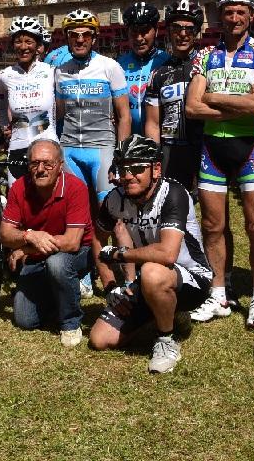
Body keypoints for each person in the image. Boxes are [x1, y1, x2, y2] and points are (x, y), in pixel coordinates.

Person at [185, 0, 254, 328]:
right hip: (213, 149)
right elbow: (192, 107)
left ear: (251, 16)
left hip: (251, 145)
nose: (234, 17)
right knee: (213, 225)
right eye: (228, 11)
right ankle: (218, 293)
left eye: (241, 11)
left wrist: (214, 96)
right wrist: (234, 106)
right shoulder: (204, 54)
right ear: (219, 16)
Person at [88, 135, 212, 374]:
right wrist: (110, 287)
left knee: (152, 272)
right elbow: (97, 239)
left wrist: (121, 255)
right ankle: (169, 314)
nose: (129, 176)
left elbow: (167, 254)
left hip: (192, 279)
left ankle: (166, 340)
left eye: (137, 168)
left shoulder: (173, 193)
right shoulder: (115, 199)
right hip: (146, 279)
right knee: (100, 339)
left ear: (155, 169)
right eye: (124, 169)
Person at [53, 8, 131, 294]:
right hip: (71, 148)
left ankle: (129, 276)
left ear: (95, 38)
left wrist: (120, 155)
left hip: (102, 149)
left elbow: (124, 115)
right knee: (77, 217)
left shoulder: (109, 67)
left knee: (112, 215)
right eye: (74, 35)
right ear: (67, 38)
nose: (80, 39)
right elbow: (60, 115)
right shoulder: (60, 71)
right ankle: (85, 274)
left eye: (85, 35)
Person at [0, 139, 93, 347]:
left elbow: (71, 243)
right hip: (39, 251)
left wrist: (26, 248)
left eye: (48, 163)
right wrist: (30, 236)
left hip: (77, 253)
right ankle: (60, 291)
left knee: (57, 264)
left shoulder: (76, 187)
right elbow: (5, 234)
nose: (40, 169)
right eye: (34, 163)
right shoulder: (19, 188)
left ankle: (70, 323)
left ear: (60, 166)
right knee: (25, 320)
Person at [144, 0, 205, 192]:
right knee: (173, 211)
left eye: (189, 28)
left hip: (203, 148)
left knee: (214, 217)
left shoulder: (208, 64)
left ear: (197, 32)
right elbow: (153, 123)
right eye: (177, 28)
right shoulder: (159, 73)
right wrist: (155, 156)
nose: (183, 34)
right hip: (171, 150)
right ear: (169, 31)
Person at [0, 16, 57, 185]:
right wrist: (4, 126)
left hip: (47, 144)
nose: (23, 47)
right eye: (18, 42)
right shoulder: (4, 76)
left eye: (29, 42)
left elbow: (63, 106)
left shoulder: (51, 72)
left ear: (37, 45)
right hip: (17, 145)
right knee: (17, 201)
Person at [117, 1, 169, 135]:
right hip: (128, 142)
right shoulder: (118, 65)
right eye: (134, 32)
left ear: (156, 31)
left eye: (145, 31)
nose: (139, 38)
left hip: (160, 140)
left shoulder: (168, 62)